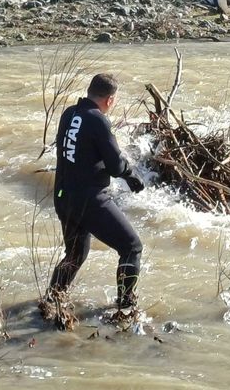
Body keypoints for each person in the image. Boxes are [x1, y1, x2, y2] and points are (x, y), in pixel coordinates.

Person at [47, 74, 145, 309]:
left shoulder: (69, 114)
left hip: (63, 197)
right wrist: (132, 176)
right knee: (132, 248)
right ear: (110, 100)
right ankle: (125, 306)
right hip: (90, 200)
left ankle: (52, 301)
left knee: (74, 255)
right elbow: (114, 164)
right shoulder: (97, 120)